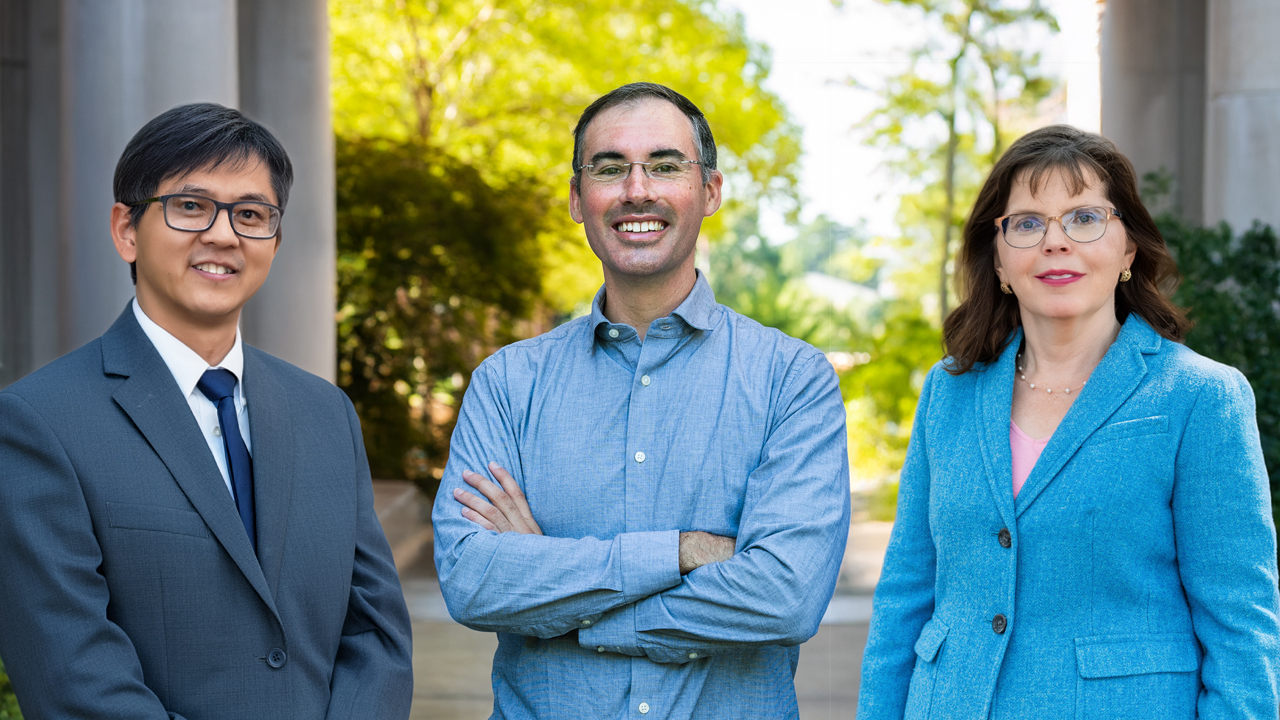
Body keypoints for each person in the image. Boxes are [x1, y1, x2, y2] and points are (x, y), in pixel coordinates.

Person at [431, 82, 851, 718]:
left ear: (710, 191)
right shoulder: (508, 383)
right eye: (609, 168)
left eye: (664, 165)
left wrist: (555, 592)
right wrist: (682, 551)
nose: (637, 190)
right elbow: (472, 581)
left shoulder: (791, 379)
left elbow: (785, 596)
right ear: (578, 199)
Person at [0, 103, 413, 719]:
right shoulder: (39, 422)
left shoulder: (326, 413)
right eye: (190, 206)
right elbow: (72, 675)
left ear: (273, 242)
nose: (223, 235)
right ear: (127, 230)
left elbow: (376, 635)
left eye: (250, 215)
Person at [858, 125, 1280, 719]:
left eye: (1084, 218)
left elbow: (1242, 630)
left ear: (1127, 249)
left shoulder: (1201, 398)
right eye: (1027, 224)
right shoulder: (948, 392)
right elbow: (905, 596)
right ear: (999, 257)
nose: (1055, 242)